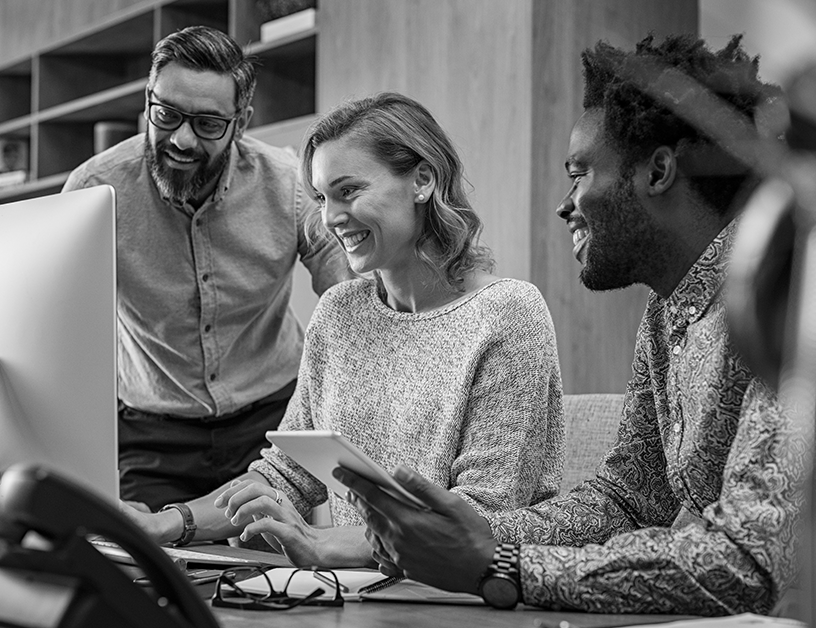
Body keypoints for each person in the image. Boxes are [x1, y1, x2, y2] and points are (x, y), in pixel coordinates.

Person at [336, 35, 805, 615]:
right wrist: (477, 531)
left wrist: (499, 565)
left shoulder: (787, 293)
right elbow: (628, 500)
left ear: (658, 171)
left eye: (580, 173)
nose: (566, 203)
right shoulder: (665, 313)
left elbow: (746, 561)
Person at [124, 92, 565, 569]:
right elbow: (284, 475)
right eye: (321, 197)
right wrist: (169, 523)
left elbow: (482, 518)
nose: (330, 218)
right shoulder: (339, 313)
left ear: (422, 180)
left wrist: (323, 544)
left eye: (349, 191)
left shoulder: (508, 314)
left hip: (462, 595)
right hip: (353, 592)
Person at [61, 26, 353, 511]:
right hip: (152, 436)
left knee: (270, 573)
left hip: (272, 428)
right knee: (147, 570)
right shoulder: (94, 191)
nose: (181, 138)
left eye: (207, 124)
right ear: (147, 98)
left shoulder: (289, 186)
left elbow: (349, 300)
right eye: (167, 114)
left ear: (241, 122)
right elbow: (59, 327)